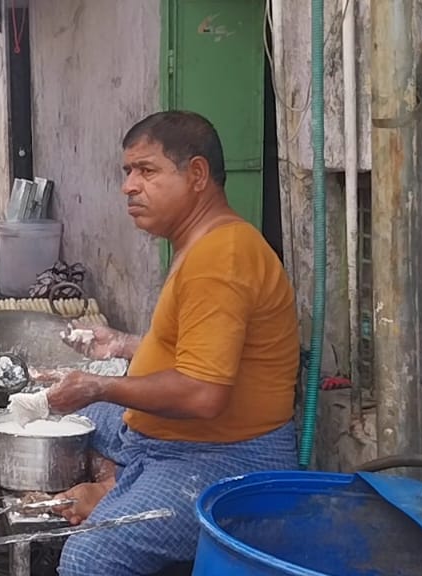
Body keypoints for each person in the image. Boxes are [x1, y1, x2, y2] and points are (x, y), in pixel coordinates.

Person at [45, 111, 299, 575]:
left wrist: (98, 386)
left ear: (197, 174)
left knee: (88, 558)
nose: (129, 186)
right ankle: (118, 482)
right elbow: (204, 348)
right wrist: (124, 346)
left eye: (147, 170)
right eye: (127, 172)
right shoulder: (202, 243)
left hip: (222, 460)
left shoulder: (220, 256)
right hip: (171, 440)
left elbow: (203, 394)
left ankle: (120, 490)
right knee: (62, 417)